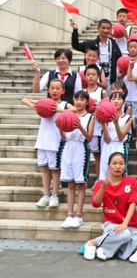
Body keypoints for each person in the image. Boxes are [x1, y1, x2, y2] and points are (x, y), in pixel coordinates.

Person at [83, 152, 137, 260]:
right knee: (125, 235)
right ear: (108, 165)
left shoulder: (132, 182)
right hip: (111, 223)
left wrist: (125, 223)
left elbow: (132, 204)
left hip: (129, 224)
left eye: (121, 163)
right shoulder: (100, 184)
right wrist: (103, 187)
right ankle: (93, 243)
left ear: (125, 165)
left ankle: (115, 251)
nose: (118, 167)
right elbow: (95, 204)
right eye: (114, 163)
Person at [22, 80, 74, 209]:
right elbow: (24, 99)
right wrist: (35, 105)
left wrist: (60, 110)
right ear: (48, 90)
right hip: (42, 141)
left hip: (55, 142)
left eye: (57, 88)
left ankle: (54, 195)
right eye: (52, 88)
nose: (54, 91)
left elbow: (75, 110)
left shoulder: (64, 104)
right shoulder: (44, 102)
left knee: (55, 170)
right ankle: (45, 194)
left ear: (63, 91)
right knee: (44, 169)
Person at [58, 90, 94, 229]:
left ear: (87, 102)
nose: (79, 102)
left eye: (82, 99)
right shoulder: (67, 115)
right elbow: (64, 138)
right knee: (70, 184)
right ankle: (69, 215)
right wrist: (60, 128)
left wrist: (80, 127)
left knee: (81, 183)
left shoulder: (90, 117)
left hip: (81, 148)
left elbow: (89, 137)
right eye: (76, 99)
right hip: (68, 148)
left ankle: (79, 215)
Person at [71, 18, 122, 88]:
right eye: (103, 28)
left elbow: (119, 58)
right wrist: (75, 31)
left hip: (110, 79)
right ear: (98, 29)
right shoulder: (91, 44)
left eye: (108, 28)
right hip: (93, 78)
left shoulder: (113, 44)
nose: (105, 30)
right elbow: (76, 45)